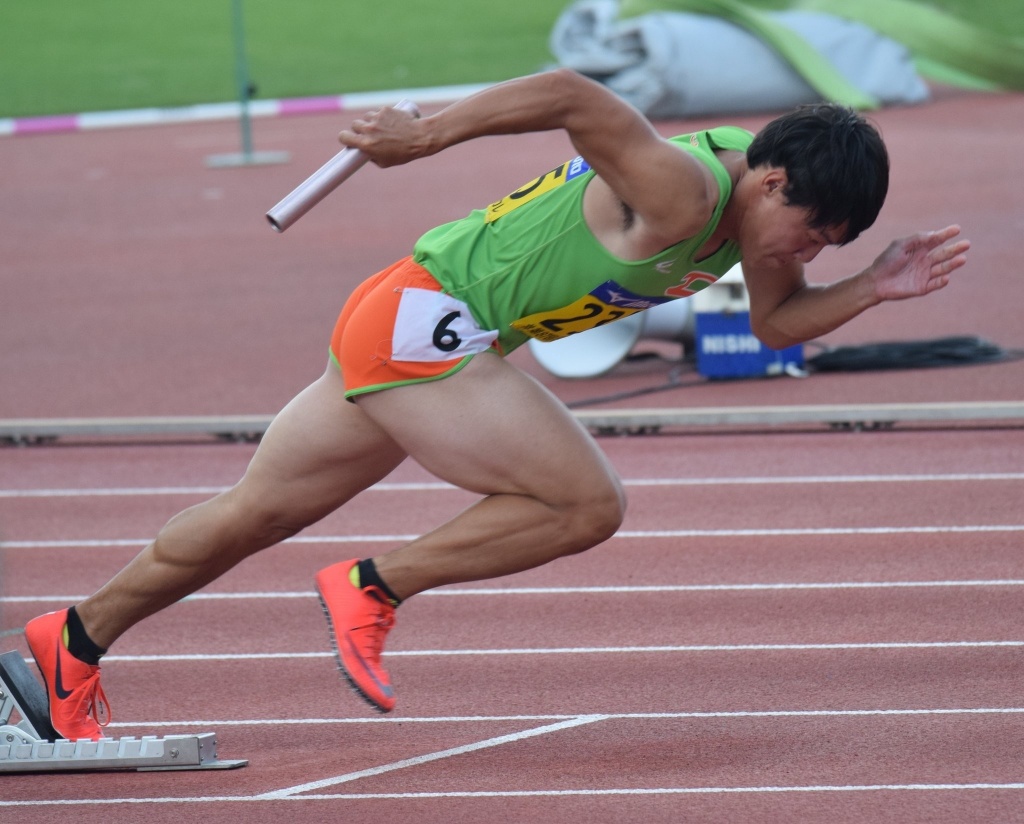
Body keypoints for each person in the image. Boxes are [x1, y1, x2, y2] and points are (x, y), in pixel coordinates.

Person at [24, 69, 969, 740]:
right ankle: (373, 586)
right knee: (588, 504)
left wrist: (872, 292)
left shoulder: (754, 231)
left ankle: (68, 642)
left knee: (250, 516)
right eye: (814, 231)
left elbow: (773, 328)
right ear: (770, 182)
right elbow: (573, 95)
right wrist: (425, 136)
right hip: (428, 326)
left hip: (407, 314)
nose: (812, 252)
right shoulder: (682, 192)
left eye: (834, 246)